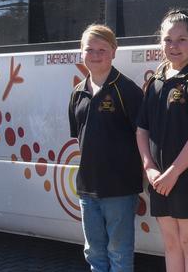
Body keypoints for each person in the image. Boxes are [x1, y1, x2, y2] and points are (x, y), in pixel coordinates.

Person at [135, 9, 188, 272]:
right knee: (171, 244)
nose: (174, 46)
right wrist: (149, 167)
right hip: (160, 180)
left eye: (182, 39)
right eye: (168, 40)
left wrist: (173, 173)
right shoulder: (155, 81)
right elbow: (141, 130)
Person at [68, 24, 144, 272]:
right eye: (89, 49)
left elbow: (142, 137)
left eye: (102, 49)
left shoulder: (127, 90)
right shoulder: (77, 93)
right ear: (81, 52)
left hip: (119, 190)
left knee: (119, 254)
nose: (96, 54)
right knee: (94, 254)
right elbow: (80, 139)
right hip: (88, 191)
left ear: (114, 51)